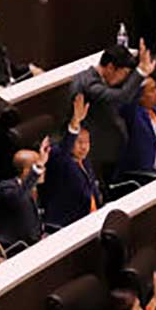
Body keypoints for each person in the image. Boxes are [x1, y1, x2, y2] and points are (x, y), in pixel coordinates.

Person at [43, 97, 105, 228]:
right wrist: (75, 123)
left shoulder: (85, 161)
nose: (84, 147)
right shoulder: (58, 158)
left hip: (92, 218)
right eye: (79, 142)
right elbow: (64, 150)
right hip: (69, 224)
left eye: (87, 142)